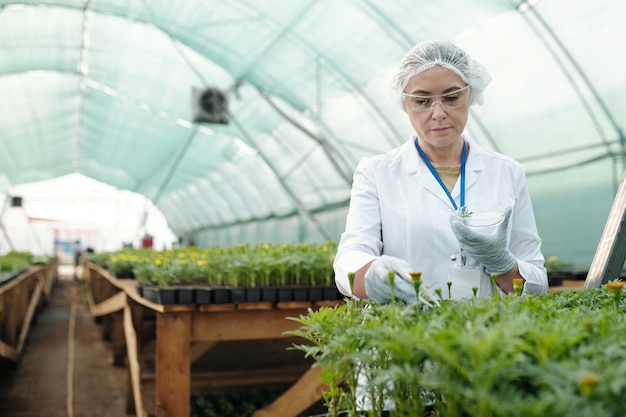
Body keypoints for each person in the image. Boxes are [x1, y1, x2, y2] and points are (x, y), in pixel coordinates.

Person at [334, 40, 548, 304]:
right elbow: (350, 256)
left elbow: (537, 282)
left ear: (470, 95)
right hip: (406, 335)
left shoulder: (507, 172)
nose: (438, 113)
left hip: (490, 338)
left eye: (451, 98)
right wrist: (372, 274)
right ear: (404, 103)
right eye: (422, 101)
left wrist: (502, 264)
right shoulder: (377, 173)